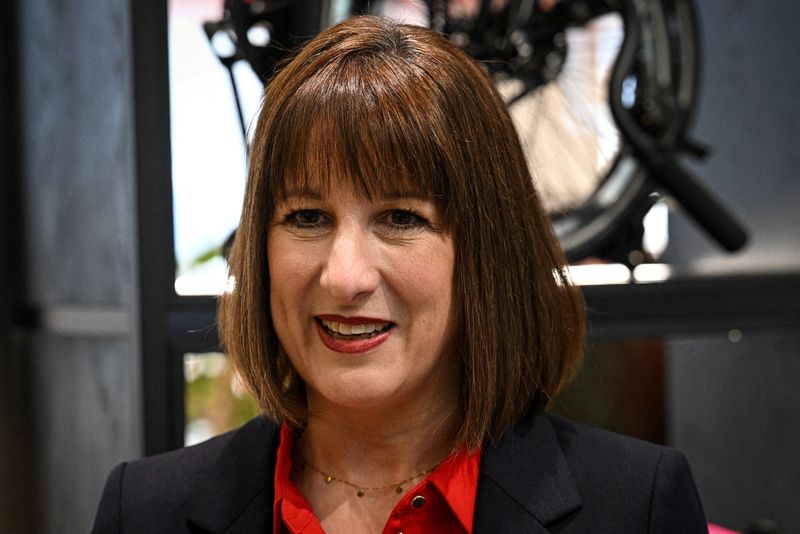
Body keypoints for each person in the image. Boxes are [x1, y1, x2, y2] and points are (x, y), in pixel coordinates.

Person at [91, 15, 707, 533]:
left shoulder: (636, 507)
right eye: (306, 216)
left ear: (488, 253)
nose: (344, 276)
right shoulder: (144, 512)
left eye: (402, 218)